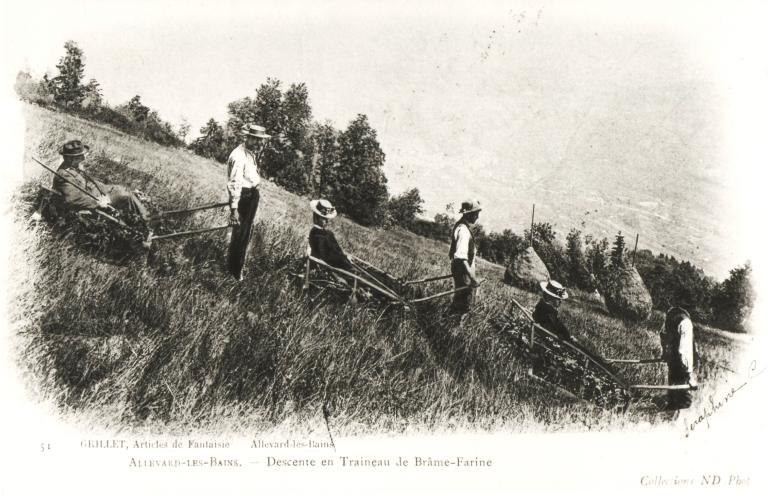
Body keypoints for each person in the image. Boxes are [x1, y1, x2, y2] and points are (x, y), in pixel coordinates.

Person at [52, 139, 149, 223]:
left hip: (101, 192)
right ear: (71, 159)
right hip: (97, 199)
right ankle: (147, 221)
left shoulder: (74, 167)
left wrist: (110, 189)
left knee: (124, 190)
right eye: (80, 157)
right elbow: (73, 198)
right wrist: (97, 203)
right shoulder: (64, 175)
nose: (84, 158)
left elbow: (89, 182)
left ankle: (140, 217)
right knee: (126, 196)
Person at [226, 123, 270, 280]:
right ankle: (234, 272)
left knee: (244, 234)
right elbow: (235, 183)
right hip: (244, 197)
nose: (259, 143)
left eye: (261, 140)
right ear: (247, 137)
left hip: (250, 196)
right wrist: (234, 210)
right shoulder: (239, 156)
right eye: (256, 139)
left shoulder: (249, 153)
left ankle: (235, 269)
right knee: (241, 235)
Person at [448, 200, 482, 316]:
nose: (477, 217)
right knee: (462, 303)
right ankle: (452, 322)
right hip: (463, 271)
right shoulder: (463, 231)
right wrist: (473, 278)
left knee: (460, 300)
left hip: (461, 270)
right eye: (476, 214)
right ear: (469, 214)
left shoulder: (462, 226)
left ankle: (451, 321)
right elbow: (461, 257)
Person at [660, 306, 698, 410]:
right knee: (683, 389)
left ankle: (672, 405)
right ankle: (681, 408)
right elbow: (684, 351)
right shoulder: (686, 322)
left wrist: (665, 353)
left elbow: (663, 335)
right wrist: (689, 373)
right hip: (680, 359)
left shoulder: (670, 317)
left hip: (674, 357)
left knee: (674, 380)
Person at [307, 199, 354, 271]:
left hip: (336, 262)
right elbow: (324, 256)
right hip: (326, 266)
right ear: (316, 218)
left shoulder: (327, 233)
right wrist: (343, 259)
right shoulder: (317, 235)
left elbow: (336, 249)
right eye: (324, 218)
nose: (327, 221)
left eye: (327, 219)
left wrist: (344, 257)